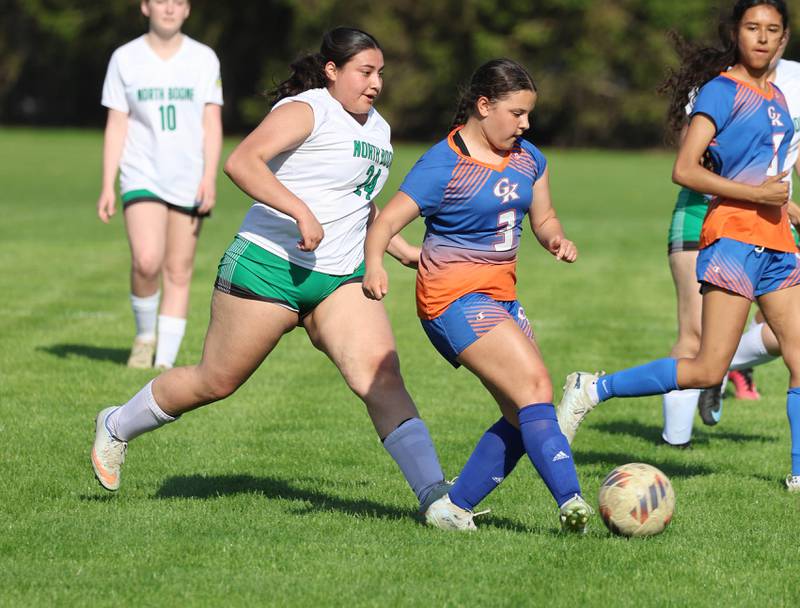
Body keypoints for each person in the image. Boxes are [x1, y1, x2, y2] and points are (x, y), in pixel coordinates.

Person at [91, 27, 450, 516]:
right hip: (268, 268)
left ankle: (437, 500)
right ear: (332, 70)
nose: (375, 83)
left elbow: (357, 198)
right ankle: (116, 424)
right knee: (215, 381)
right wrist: (300, 211)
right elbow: (242, 163)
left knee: (382, 379)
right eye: (365, 72)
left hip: (338, 278)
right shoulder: (306, 110)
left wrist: (400, 247)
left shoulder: (378, 130)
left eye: (380, 73)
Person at [557, 0, 800, 493]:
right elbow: (685, 169)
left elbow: (772, 171)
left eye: (772, 29)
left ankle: (798, 472)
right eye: (752, 27)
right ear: (735, 33)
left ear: (784, 38)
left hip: (777, 242)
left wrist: (788, 209)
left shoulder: (776, 96)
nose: (762, 37)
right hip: (732, 239)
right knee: (708, 365)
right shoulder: (720, 91)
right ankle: (592, 388)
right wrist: (758, 195)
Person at [364, 59, 593, 532]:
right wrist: (374, 267)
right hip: (452, 299)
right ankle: (572, 502)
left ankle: (454, 508)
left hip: (501, 297)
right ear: (483, 106)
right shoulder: (443, 165)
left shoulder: (529, 158)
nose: (526, 124)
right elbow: (385, 223)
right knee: (534, 389)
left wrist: (555, 239)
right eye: (517, 113)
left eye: (529, 114)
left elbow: (543, 218)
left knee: (520, 410)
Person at [97, 0, 223, 370]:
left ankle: (164, 363)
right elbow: (117, 123)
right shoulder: (125, 58)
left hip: (188, 176)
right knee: (147, 260)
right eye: (161, 1)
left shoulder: (204, 58)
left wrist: (209, 177)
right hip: (141, 173)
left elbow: (211, 122)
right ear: (145, 7)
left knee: (179, 269)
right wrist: (108, 184)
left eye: (178, 2)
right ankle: (144, 337)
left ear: (187, 10)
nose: (169, 8)